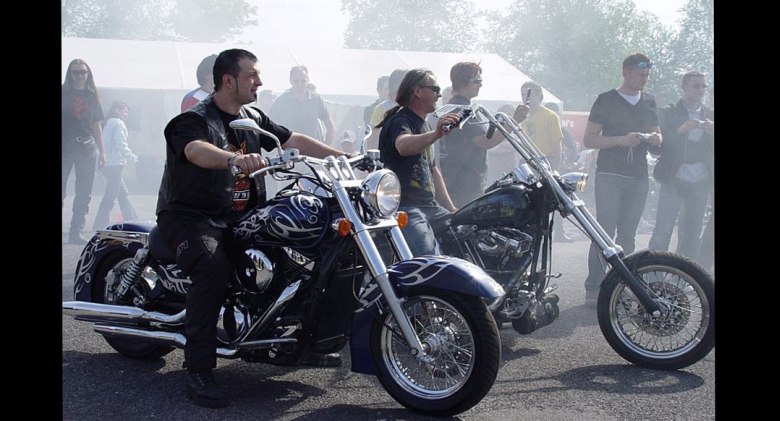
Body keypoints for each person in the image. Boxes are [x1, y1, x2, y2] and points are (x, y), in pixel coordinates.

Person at [156, 49, 349, 408]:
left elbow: (293, 140)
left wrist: (342, 157)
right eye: (252, 75)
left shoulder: (253, 118)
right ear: (228, 80)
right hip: (193, 217)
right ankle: (198, 369)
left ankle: (299, 342)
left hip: (242, 215)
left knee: (304, 254)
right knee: (212, 268)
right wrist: (234, 159)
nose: (259, 82)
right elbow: (196, 151)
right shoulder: (194, 120)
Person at [581, 53, 662, 307]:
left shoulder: (649, 101)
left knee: (628, 234)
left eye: (647, 75)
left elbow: (658, 134)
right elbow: (589, 139)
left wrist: (655, 139)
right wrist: (620, 140)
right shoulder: (606, 99)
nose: (644, 79)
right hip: (610, 174)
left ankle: (622, 285)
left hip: (639, 175)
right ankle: (594, 287)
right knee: (604, 232)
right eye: (640, 75)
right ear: (625, 73)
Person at [377, 68, 461, 256]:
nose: (439, 94)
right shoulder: (400, 120)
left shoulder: (425, 124)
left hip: (430, 207)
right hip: (405, 208)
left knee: (465, 239)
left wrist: (452, 209)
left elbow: (433, 170)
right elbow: (403, 146)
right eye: (435, 89)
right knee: (428, 258)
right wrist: (436, 134)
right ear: (417, 91)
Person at [648, 71, 714, 261]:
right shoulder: (668, 112)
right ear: (684, 87)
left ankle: (686, 274)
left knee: (692, 233)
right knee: (663, 230)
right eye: (696, 86)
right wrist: (679, 130)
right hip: (673, 178)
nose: (700, 90)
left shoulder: (709, 114)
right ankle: (653, 273)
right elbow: (656, 147)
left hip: (701, 180)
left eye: (703, 86)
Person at [439, 62, 504, 207]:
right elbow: (486, 142)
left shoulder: (454, 107)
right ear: (463, 82)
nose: (480, 84)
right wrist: (514, 122)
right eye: (477, 81)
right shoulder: (462, 110)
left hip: (457, 180)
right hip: (464, 184)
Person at [62, 58, 106, 245]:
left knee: (84, 192)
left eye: (82, 72)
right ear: (70, 74)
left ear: (88, 74)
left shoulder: (92, 95)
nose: (79, 75)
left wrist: (102, 152)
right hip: (64, 149)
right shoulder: (63, 93)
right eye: (75, 72)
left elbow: (96, 125)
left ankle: (76, 231)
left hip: (87, 149)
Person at [92, 101, 139, 230]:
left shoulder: (105, 123)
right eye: (125, 111)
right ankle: (99, 224)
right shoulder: (118, 123)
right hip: (115, 164)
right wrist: (132, 157)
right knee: (110, 196)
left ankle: (132, 220)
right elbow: (120, 144)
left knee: (122, 194)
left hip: (106, 164)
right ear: (117, 110)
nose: (126, 114)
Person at [269, 65, 335, 144]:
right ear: (290, 81)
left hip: (312, 148)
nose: (300, 84)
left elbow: (330, 127)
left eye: (303, 81)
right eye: (296, 81)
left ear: (308, 80)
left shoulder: (316, 100)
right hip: (289, 148)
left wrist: (326, 146)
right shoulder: (281, 101)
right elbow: (269, 127)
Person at [513, 82, 564, 170]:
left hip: (545, 160)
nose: (525, 98)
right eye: (523, 95)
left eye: (529, 94)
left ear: (538, 95)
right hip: (528, 159)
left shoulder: (550, 116)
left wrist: (555, 170)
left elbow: (557, 146)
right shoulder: (523, 116)